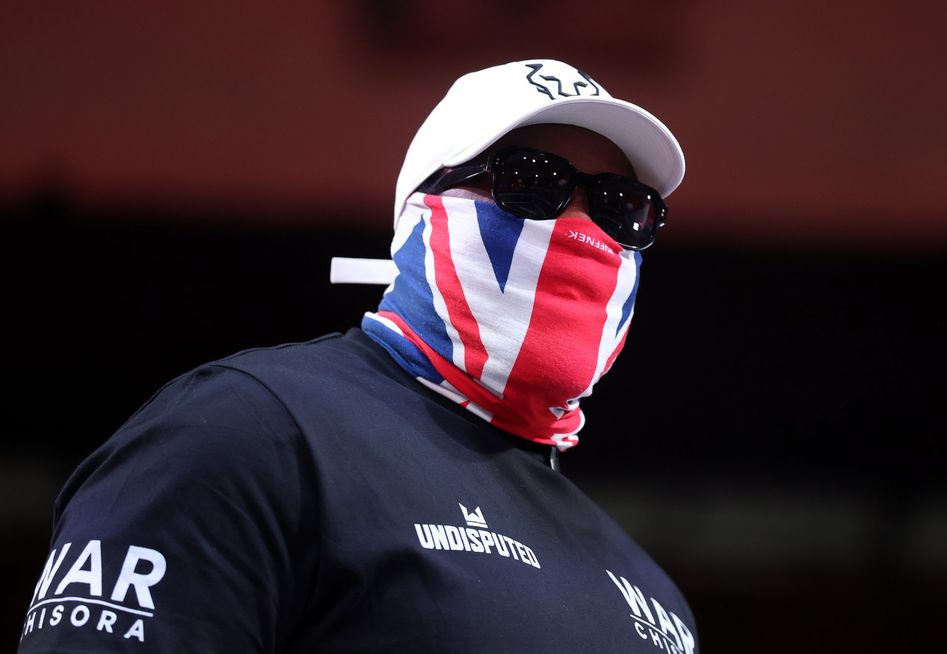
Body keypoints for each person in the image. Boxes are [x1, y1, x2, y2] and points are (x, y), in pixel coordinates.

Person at [18, 59, 696, 653]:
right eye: (533, 181)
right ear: (423, 211)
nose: (581, 229)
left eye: (621, 206)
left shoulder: (655, 602)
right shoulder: (247, 434)